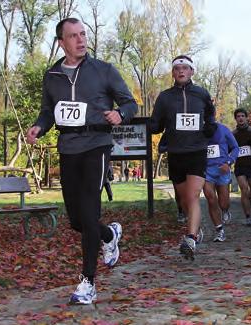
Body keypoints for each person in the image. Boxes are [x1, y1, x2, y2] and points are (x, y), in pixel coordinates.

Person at [25, 17, 138, 305]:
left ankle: (88, 282)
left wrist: (120, 114)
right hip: (68, 147)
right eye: (73, 36)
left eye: (83, 34)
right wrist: (39, 127)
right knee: (77, 220)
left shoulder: (103, 70)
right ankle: (109, 235)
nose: (80, 40)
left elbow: (129, 102)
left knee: (89, 213)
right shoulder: (52, 75)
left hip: (97, 145)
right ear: (61, 42)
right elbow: (48, 111)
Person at [150, 54, 216, 260]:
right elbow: (156, 124)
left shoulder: (202, 94)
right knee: (184, 199)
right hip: (176, 152)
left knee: (193, 195)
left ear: (192, 72)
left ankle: (190, 238)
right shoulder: (165, 97)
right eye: (177, 68)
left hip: (197, 150)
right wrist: (149, 126)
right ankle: (196, 228)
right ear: (173, 73)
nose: (181, 71)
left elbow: (210, 116)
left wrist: (210, 128)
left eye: (185, 68)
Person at [203, 122, 239, 242]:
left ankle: (225, 210)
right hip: (206, 171)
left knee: (224, 203)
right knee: (210, 198)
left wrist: (229, 162)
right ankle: (219, 230)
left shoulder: (223, 129)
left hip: (222, 169)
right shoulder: (197, 130)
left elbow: (235, 147)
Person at [232, 108, 251, 226]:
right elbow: (228, 149)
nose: (240, 118)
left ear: (247, 117)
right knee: (244, 190)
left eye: (242, 116)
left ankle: (248, 203)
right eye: (238, 116)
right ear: (236, 119)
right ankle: (248, 216)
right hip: (239, 166)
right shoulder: (232, 134)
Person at [158, 133, 186, 223]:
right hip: (175, 165)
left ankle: (190, 213)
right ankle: (181, 212)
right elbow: (160, 148)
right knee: (178, 192)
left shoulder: (191, 129)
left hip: (190, 164)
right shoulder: (169, 132)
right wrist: (170, 147)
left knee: (190, 191)